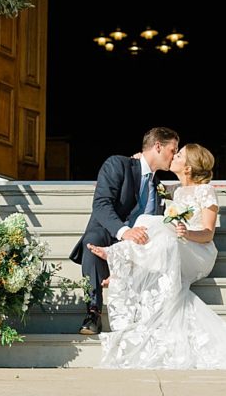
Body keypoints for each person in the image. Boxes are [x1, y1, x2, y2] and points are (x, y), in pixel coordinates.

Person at [87, 143, 226, 369]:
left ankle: (119, 261)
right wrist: (140, 160)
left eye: (179, 155)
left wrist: (188, 233)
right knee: (148, 222)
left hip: (198, 250)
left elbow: (208, 233)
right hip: (175, 246)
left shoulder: (206, 191)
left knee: (163, 236)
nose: (173, 156)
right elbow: (147, 177)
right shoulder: (175, 190)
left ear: (187, 168)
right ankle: (123, 266)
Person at [69, 126, 179, 335]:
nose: (174, 156)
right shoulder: (118, 164)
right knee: (91, 240)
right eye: (173, 150)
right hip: (111, 232)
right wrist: (123, 232)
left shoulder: (158, 185)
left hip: (138, 244)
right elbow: (101, 204)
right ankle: (93, 312)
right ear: (158, 146)